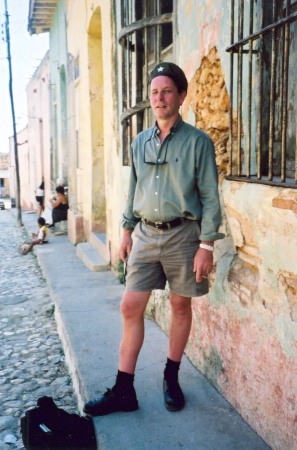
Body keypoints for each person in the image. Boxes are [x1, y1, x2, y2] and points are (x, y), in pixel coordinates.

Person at [84, 62, 224, 417]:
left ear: (180, 96)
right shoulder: (139, 142)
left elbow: (209, 196)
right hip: (145, 235)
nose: (159, 98)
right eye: (154, 93)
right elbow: (134, 190)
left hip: (184, 237)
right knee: (130, 307)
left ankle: (171, 376)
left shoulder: (199, 142)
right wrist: (126, 229)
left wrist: (206, 245)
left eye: (166, 91)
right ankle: (123, 390)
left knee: (180, 306)